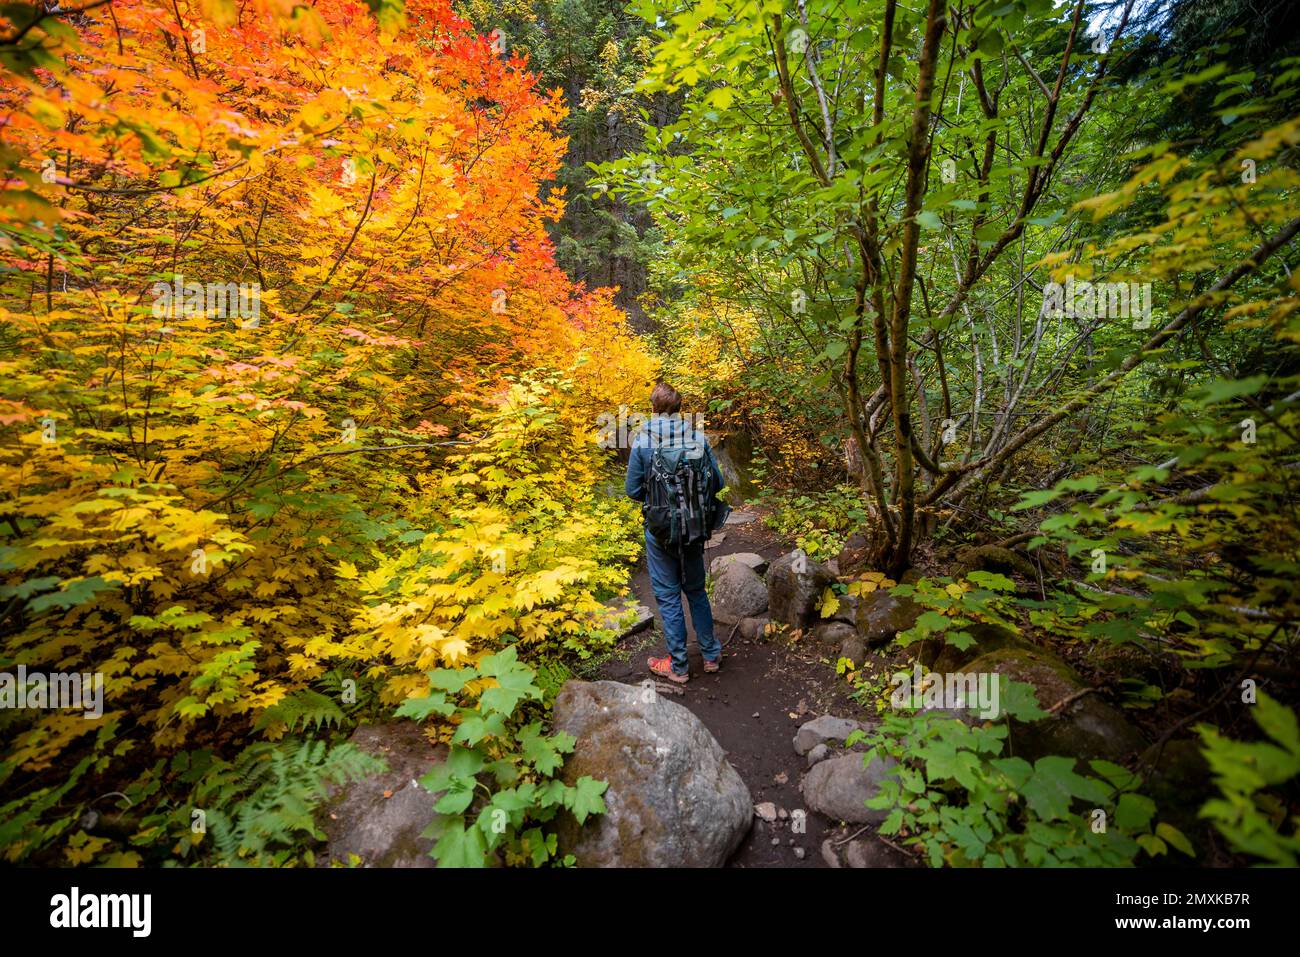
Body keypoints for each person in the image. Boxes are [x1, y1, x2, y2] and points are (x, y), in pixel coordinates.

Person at [624, 382, 727, 683]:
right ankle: (710, 655)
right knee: (695, 590)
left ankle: (679, 665)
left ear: (652, 407)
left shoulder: (643, 441)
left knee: (668, 595)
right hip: (695, 527)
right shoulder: (697, 437)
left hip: (660, 531)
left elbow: (632, 490)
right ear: (680, 408)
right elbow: (717, 483)